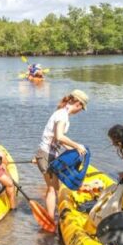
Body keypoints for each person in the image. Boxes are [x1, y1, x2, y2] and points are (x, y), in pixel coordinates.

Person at [33, 89, 88, 220]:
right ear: (78, 104)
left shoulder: (62, 113)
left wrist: (73, 150)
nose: (80, 111)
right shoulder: (62, 116)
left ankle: (52, 212)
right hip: (46, 154)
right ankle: (51, 219)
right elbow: (60, 136)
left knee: (56, 187)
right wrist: (77, 145)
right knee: (52, 188)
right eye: (82, 108)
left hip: (48, 154)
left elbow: (58, 140)